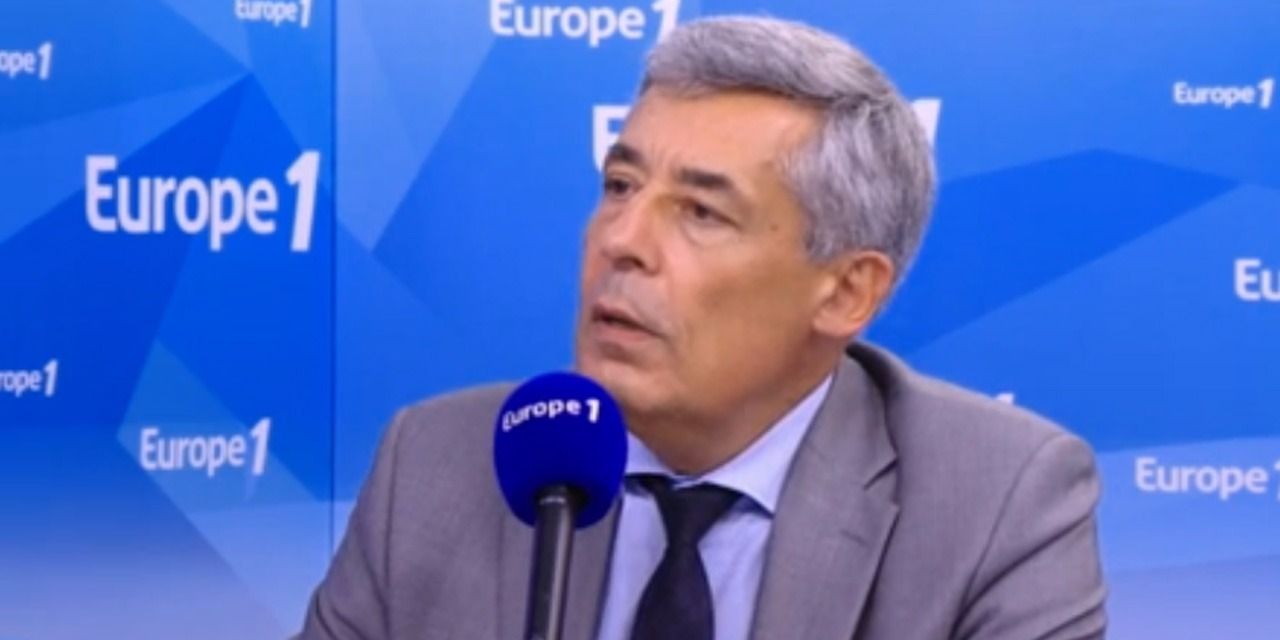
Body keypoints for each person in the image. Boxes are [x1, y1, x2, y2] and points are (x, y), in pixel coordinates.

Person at [299, 15, 1106, 640]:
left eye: (700, 212)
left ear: (846, 292)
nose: (621, 240)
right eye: (621, 186)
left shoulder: (999, 505)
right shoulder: (437, 467)